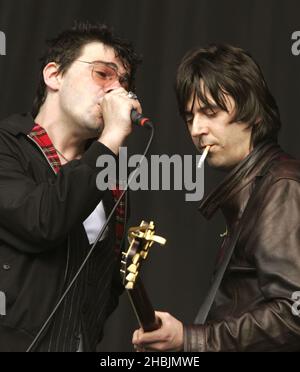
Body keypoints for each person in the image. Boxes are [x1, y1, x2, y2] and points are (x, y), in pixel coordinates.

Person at [133, 44, 300, 352]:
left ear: (251, 112)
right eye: (189, 117)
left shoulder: (281, 185)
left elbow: (294, 314)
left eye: (210, 113)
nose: (197, 129)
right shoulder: (256, 187)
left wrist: (190, 338)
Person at [0, 22, 142, 352]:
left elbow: (108, 286)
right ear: (54, 75)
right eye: (103, 74)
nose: (116, 91)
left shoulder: (110, 178)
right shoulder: (7, 146)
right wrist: (110, 140)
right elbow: (42, 220)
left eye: (124, 83)